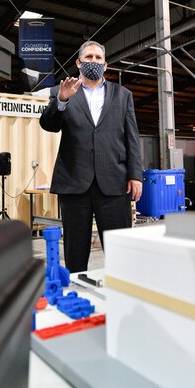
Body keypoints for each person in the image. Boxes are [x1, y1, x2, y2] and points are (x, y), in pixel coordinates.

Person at [40, 40, 143, 272]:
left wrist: (136, 175)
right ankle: (79, 297)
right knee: (75, 253)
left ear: (105, 65)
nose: (93, 61)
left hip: (115, 184)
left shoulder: (123, 95)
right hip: (74, 183)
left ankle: (122, 297)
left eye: (98, 58)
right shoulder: (62, 91)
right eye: (89, 57)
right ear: (78, 63)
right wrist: (62, 101)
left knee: (121, 253)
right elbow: (48, 125)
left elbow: (132, 138)